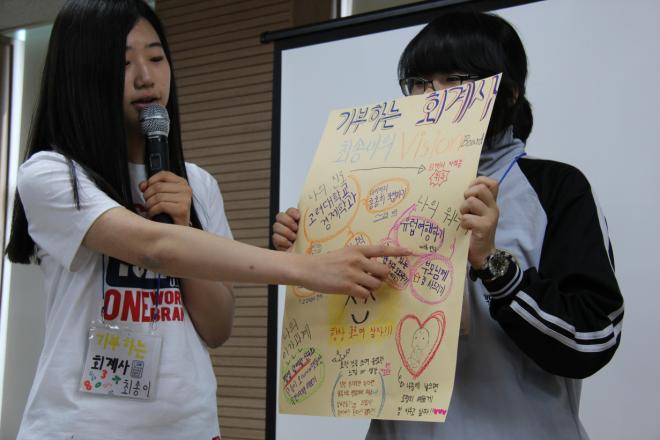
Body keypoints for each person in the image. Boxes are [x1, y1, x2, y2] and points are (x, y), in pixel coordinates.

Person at [5, 1, 410, 438]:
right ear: (80, 75)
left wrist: (183, 225)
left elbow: (217, 328)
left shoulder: (197, 184)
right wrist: (309, 269)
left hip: (190, 426)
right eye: (123, 63)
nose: (146, 77)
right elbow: (153, 248)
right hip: (82, 427)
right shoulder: (53, 174)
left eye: (157, 58)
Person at [273, 9, 624, 440]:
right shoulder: (382, 189)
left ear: (509, 93)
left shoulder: (556, 188)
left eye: (454, 81)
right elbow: (359, 323)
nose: (431, 98)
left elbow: (594, 338)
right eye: (419, 83)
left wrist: (494, 265)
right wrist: (307, 254)